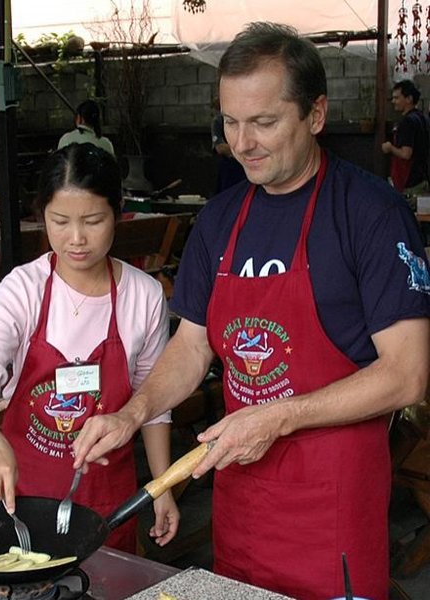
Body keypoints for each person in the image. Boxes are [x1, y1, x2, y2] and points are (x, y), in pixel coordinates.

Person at [72, 22, 430, 600]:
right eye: (231, 122)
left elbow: (408, 374)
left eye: (264, 122)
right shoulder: (220, 218)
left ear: (315, 114)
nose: (243, 143)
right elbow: (192, 346)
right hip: (242, 500)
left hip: (331, 504)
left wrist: (278, 416)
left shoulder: (369, 213)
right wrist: (132, 413)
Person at [0, 144, 177, 553]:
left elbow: (155, 401)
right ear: (42, 216)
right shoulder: (23, 289)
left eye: (93, 221)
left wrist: (162, 487)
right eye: (60, 221)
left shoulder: (142, 296)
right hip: (24, 493)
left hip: (108, 497)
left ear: (118, 213)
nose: (76, 239)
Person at [381, 79, 429, 205]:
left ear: (409, 99)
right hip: (423, 178)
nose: (393, 102)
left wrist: (390, 147)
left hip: (410, 182)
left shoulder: (407, 122)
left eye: (397, 98)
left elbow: (406, 154)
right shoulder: (423, 119)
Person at [210, 96, 248, 193]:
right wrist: (241, 149)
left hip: (245, 166)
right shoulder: (218, 121)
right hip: (230, 167)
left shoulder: (245, 119)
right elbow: (220, 147)